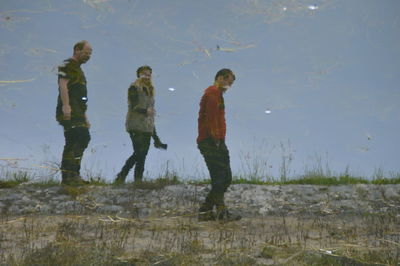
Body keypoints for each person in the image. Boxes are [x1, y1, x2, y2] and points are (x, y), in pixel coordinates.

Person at [197, 68, 241, 221]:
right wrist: (216, 140)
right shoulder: (213, 94)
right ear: (220, 78)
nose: (229, 86)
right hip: (211, 141)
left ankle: (206, 211)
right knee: (222, 177)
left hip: (214, 141)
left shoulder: (216, 94)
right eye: (229, 82)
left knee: (222, 177)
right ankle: (218, 212)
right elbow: (211, 119)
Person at [115, 65, 167, 184]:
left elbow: (150, 114)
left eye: (149, 74)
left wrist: (156, 137)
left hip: (147, 127)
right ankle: (122, 176)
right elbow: (134, 106)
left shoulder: (150, 91)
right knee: (139, 152)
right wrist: (145, 111)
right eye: (144, 74)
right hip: (135, 125)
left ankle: (137, 180)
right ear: (139, 75)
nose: (147, 77)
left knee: (142, 154)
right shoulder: (134, 88)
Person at [56, 40, 92, 185]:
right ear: (76, 50)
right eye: (86, 52)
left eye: (90, 54)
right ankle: (70, 176)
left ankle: (72, 176)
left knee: (78, 139)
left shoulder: (78, 69)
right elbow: (63, 85)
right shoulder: (68, 64)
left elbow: (81, 97)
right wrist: (66, 106)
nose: (88, 56)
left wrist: (85, 116)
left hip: (78, 110)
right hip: (70, 109)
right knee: (79, 138)